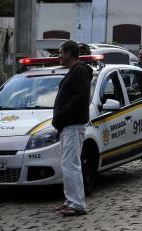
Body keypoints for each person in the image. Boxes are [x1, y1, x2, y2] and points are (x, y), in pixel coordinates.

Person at [52, 40, 92, 217]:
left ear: (69, 53)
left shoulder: (80, 71)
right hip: (68, 124)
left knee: (71, 164)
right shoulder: (74, 72)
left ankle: (77, 203)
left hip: (73, 124)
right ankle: (70, 200)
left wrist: (61, 115)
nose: (59, 56)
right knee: (67, 163)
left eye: (61, 52)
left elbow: (80, 98)